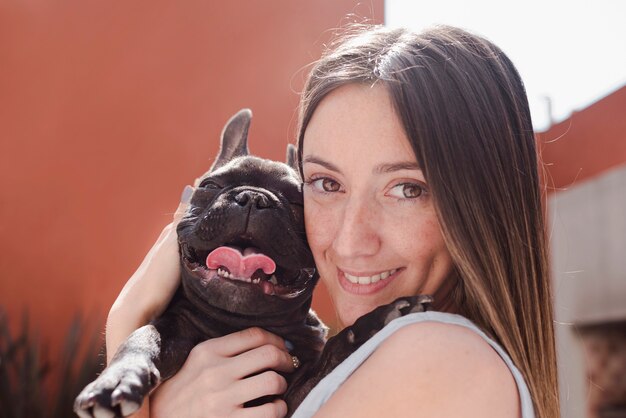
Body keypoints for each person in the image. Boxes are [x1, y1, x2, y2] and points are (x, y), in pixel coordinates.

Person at [106, 25, 560, 418]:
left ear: (480, 204)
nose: (350, 240)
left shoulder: (436, 356)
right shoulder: (354, 362)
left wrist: (128, 324)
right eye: (325, 184)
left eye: (407, 188)